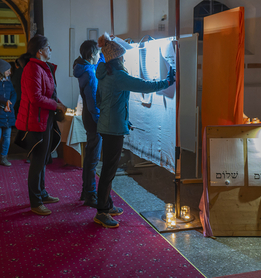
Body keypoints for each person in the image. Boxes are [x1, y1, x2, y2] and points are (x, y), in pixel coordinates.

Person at [94, 33, 175, 228]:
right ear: (117, 58)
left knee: (109, 169)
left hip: (109, 125)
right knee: (108, 170)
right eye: (122, 56)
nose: (123, 59)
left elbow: (103, 101)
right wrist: (167, 81)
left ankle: (107, 205)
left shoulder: (104, 73)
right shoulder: (118, 76)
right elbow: (142, 86)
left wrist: (122, 118)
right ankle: (102, 212)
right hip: (112, 128)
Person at [15, 34, 67, 216]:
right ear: (40, 51)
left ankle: (42, 193)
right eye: (48, 47)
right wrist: (57, 105)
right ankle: (35, 201)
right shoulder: (32, 69)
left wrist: (58, 102)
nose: (51, 50)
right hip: (35, 121)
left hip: (45, 119)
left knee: (44, 159)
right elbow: (35, 97)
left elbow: (50, 93)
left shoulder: (43, 68)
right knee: (37, 161)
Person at [73, 40, 105, 208]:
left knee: (89, 156)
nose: (99, 54)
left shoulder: (84, 68)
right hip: (93, 118)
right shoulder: (90, 74)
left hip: (87, 115)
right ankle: (91, 194)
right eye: (98, 52)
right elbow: (93, 103)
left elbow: (97, 63)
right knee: (93, 159)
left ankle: (86, 191)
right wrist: (102, 122)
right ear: (92, 54)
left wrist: (104, 55)